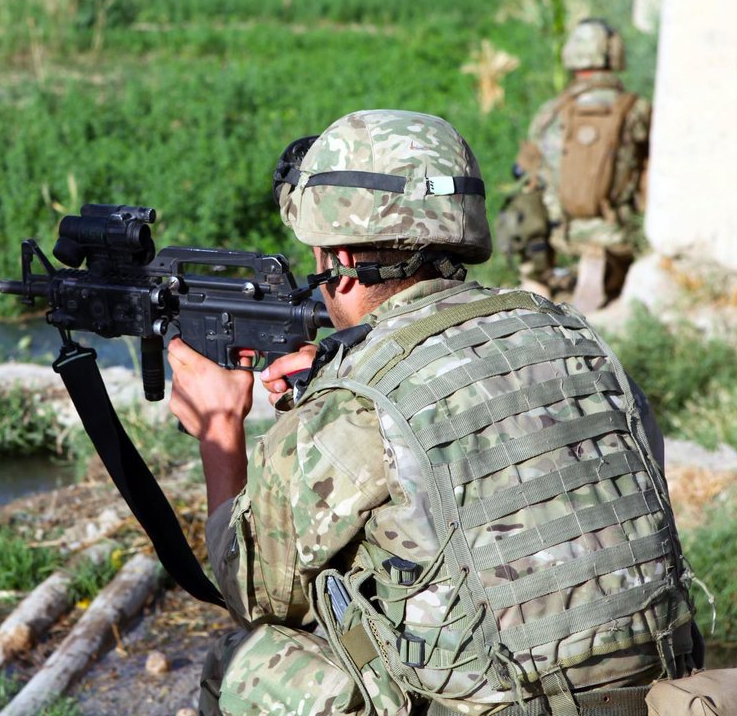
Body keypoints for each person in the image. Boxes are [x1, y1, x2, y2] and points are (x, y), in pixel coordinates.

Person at [167, 109, 700, 716]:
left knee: (246, 661)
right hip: (660, 696)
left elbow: (249, 588)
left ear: (339, 259)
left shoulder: (354, 410)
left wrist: (219, 429)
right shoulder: (579, 341)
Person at [508, 18, 651, 312]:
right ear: (613, 53)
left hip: (562, 234)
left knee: (523, 195)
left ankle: (535, 278)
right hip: (619, 232)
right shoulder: (637, 110)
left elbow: (525, 174)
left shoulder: (550, 113)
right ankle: (602, 267)